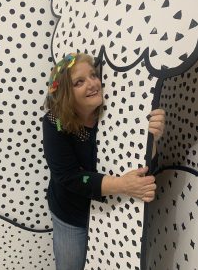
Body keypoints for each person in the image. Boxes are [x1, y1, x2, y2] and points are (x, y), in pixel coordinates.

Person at [42, 52, 165, 270]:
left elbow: (142, 167)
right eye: (79, 82)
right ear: (66, 94)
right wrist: (123, 185)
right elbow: (68, 176)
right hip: (71, 215)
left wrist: (151, 139)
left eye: (93, 75)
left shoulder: (117, 112)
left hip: (112, 212)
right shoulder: (55, 122)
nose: (92, 84)